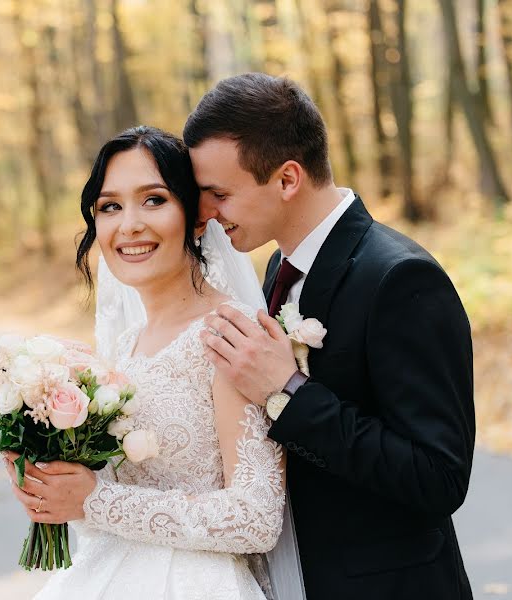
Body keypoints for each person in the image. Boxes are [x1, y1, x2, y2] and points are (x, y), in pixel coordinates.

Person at [191, 73, 475, 600]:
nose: (207, 213)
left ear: (287, 179)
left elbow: (439, 478)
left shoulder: (401, 278)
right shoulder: (278, 267)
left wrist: (288, 390)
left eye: (220, 194)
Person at [2, 126, 297, 599]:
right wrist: (52, 485)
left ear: (197, 217)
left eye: (154, 200)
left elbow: (256, 518)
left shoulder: (230, 334)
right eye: (110, 206)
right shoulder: (120, 349)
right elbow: (105, 505)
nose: (130, 224)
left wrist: (95, 500)